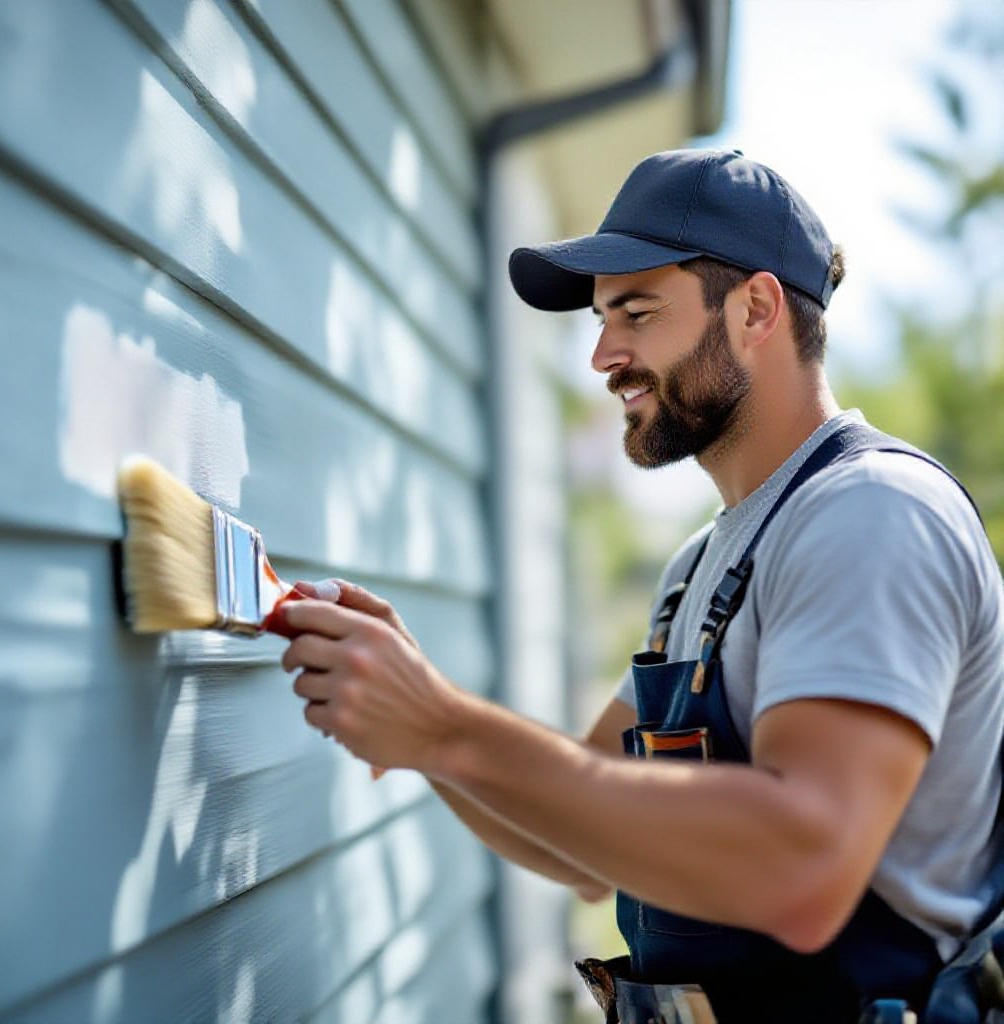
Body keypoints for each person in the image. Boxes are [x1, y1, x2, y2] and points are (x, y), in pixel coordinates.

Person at [278, 150, 1004, 1024]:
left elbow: (804, 867)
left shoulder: (872, 512)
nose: (602, 355)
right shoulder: (698, 566)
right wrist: (415, 725)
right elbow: (583, 841)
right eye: (600, 318)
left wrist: (443, 724)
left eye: (637, 312)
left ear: (756, 309)